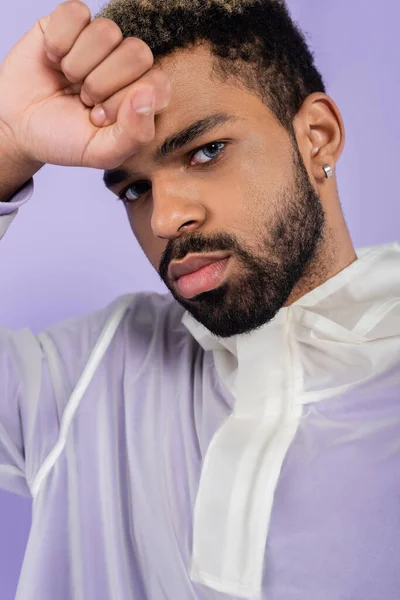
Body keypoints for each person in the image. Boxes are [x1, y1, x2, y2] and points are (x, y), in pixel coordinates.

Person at [0, 0, 399, 598]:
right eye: (134, 188)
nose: (165, 219)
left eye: (206, 151)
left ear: (318, 137)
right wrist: (4, 143)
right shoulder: (86, 375)